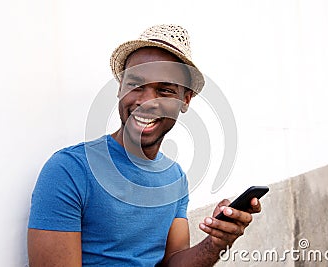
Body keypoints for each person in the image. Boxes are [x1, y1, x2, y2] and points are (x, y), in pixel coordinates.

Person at [27, 24, 262, 266]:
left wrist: (216, 243)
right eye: (135, 85)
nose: (146, 101)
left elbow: (173, 262)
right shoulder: (69, 171)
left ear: (185, 100)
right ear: (120, 88)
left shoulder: (175, 178)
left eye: (165, 90)